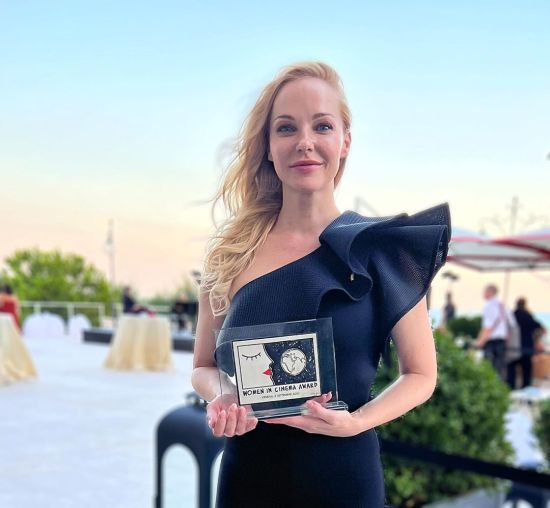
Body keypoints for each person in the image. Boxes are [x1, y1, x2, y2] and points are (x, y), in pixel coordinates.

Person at [191, 61, 451, 507]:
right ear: (268, 146)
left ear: (345, 140)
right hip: (247, 481)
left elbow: (421, 374)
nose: (305, 142)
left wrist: (357, 422)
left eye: (323, 126)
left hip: (344, 481)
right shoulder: (230, 255)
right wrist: (224, 395)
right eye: (286, 128)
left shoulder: (381, 250)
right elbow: (202, 367)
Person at [474, 284, 510, 380]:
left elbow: (488, 327)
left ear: (490, 292)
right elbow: (510, 323)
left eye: (485, 291)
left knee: (489, 368)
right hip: (501, 340)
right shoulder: (502, 305)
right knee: (500, 367)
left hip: (491, 341)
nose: (483, 293)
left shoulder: (488, 306)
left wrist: (480, 341)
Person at [509, 297, 546, 388]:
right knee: (526, 371)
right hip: (527, 347)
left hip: (513, 347)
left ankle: (511, 388)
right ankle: (525, 388)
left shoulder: (512, 315)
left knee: (511, 370)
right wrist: (537, 340)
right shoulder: (528, 316)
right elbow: (542, 329)